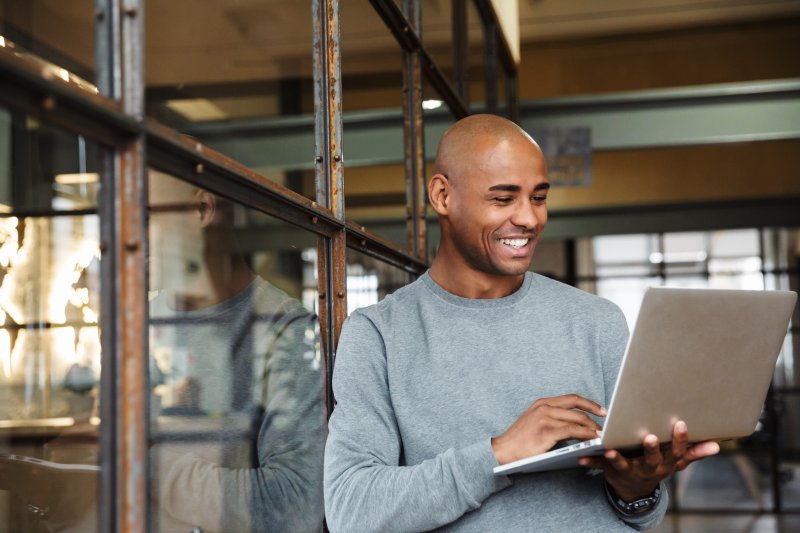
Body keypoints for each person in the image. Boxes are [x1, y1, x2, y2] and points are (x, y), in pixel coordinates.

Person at [323, 114, 720, 532]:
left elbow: (642, 514)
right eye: (503, 198)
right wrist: (500, 454)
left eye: (538, 197)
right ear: (442, 195)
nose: (529, 219)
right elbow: (353, 510)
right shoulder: (379, 335)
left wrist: (637, 488)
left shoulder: (597, 321)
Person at [148, 171, 325, 532]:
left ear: (201, 209)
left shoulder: (287, 330)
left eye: (143, 217)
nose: (124, 236)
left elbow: (295, 505)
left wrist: (144, 466)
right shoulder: (135, 323)